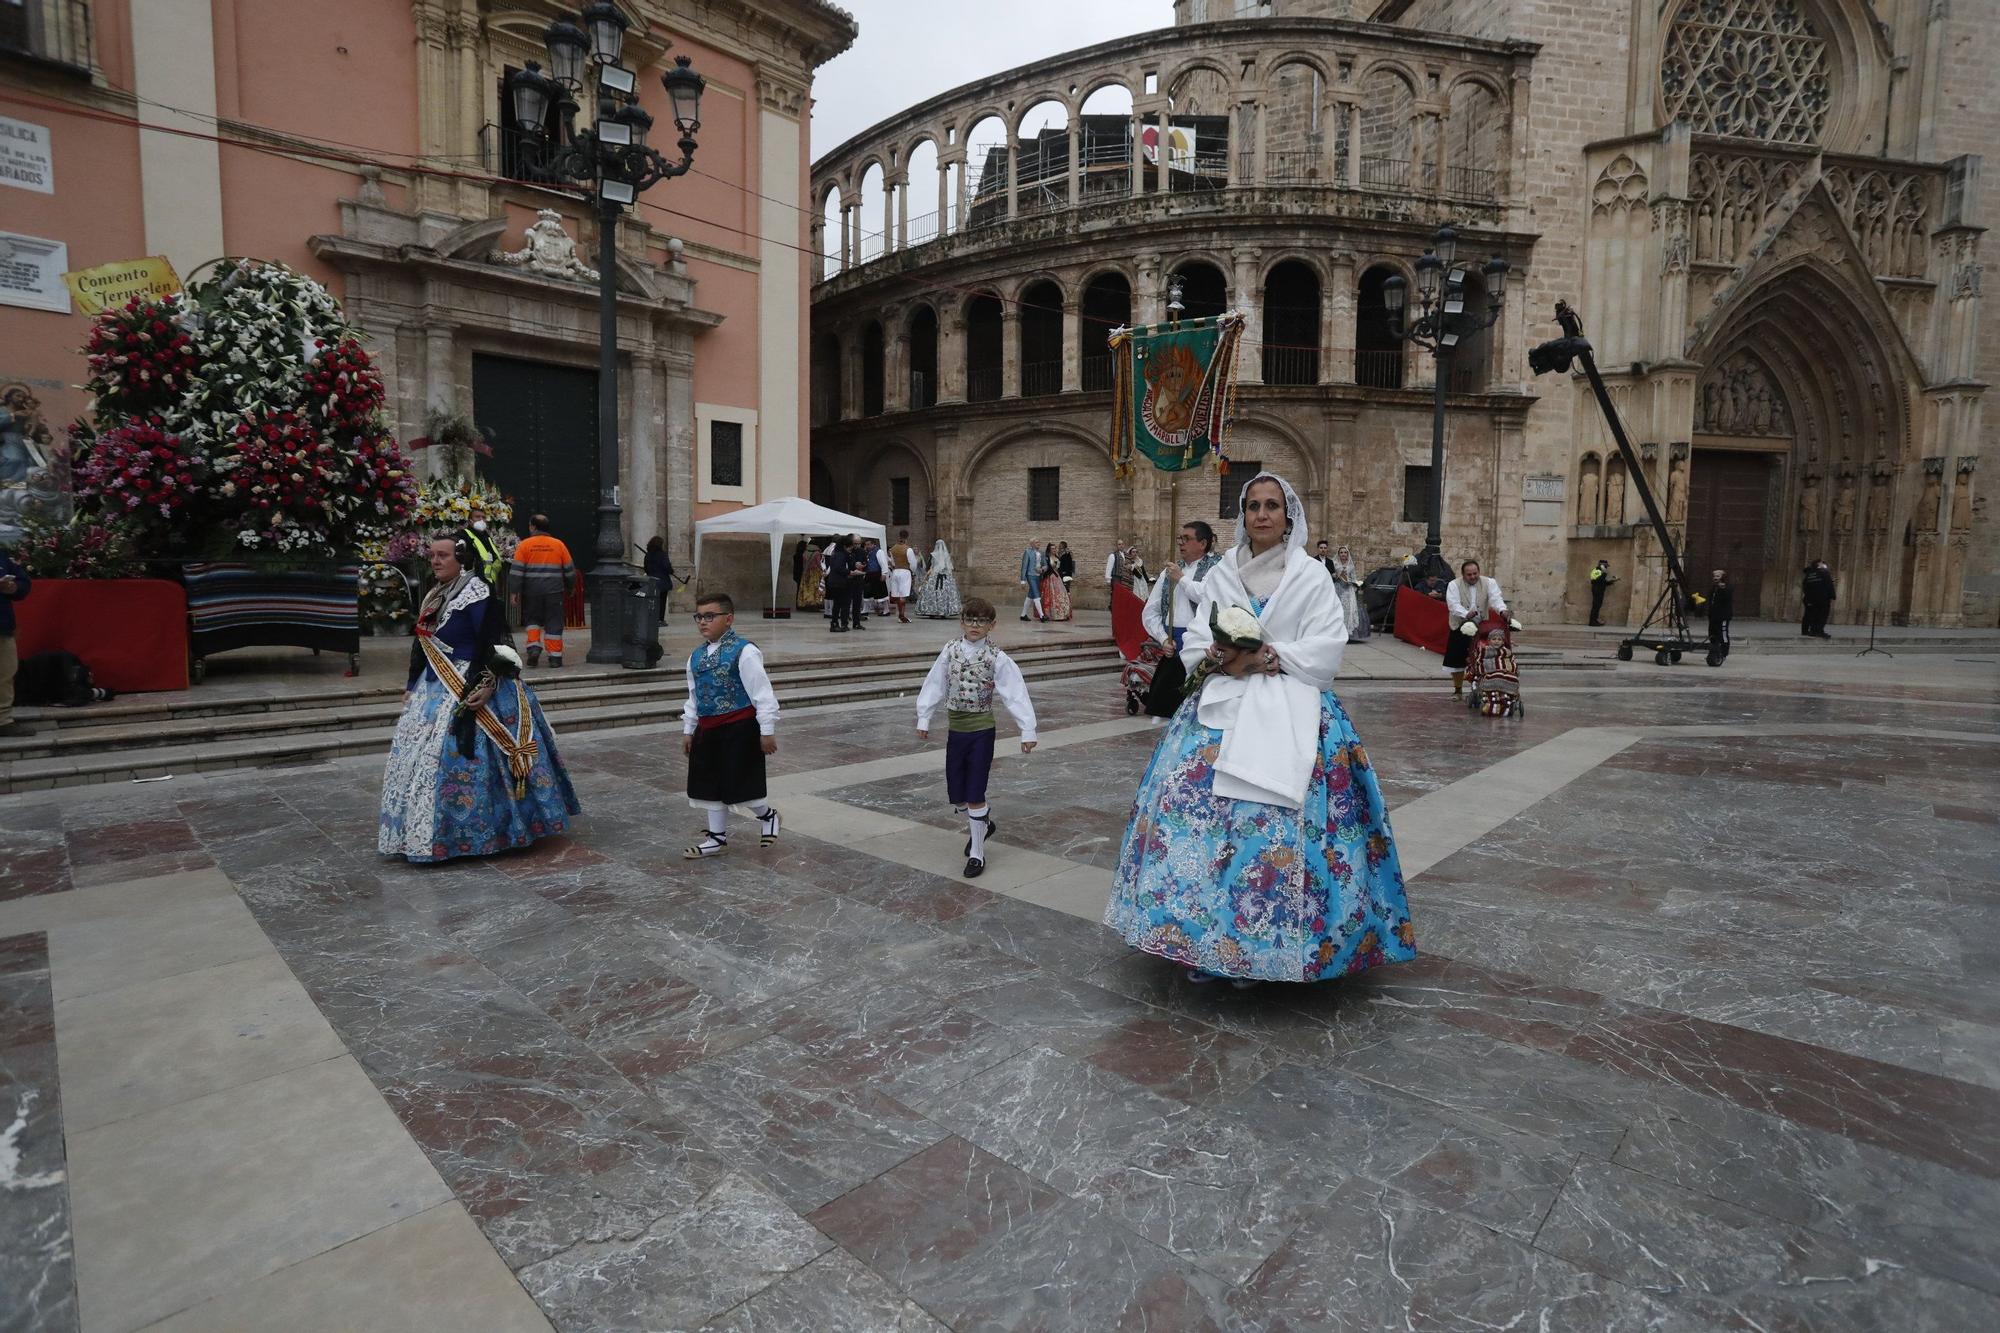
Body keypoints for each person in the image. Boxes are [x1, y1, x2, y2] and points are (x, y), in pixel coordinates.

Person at [1104, 472, 1414, 986]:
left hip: (1294, 705)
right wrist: (1231, 663)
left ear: (1288, 516)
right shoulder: (1224, 573)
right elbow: (1199, 639)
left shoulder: (1311, 576)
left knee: (1275, 827)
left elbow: (1327, 645)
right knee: (1202, 825)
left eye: (1272, 506)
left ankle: (1271, 945)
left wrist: (1267, 655)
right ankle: (1206, 944)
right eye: (1253, 506)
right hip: (1224, 704)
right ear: (1243, 515)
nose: (1262, 514)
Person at [378, 533, 579, 862]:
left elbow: (493, 642)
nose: (435, 561)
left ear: (462, 558)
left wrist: (487, 684)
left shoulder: (476, 591)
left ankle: (490, 831)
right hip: (436, 685)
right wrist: (413, 683)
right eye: (432, 555)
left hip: (473, 679)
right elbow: (422, 643)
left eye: (443, 555)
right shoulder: (435, 594)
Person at [915, 597, 1040, 879]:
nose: (975, 625)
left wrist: (1027, 729)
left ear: (991, 626)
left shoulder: (998, 657)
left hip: (982, 731)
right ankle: (983, 823)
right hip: (956, 729)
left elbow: (1015, 693)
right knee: (958, 796)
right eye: (970, 620)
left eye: (981, 621)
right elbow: (935, 682)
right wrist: (924, 716)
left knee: (975, 793)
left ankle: (977, 854)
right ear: (962, 622)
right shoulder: (950, 651)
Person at [680, 592, 782, 858]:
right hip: (708, 729)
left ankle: (768, 816)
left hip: (739, 728)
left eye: (710, 616)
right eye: (699, 617)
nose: (703, 622)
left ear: (729, 619)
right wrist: (689, 729)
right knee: (709, 784)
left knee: (739, 783)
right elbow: (694, 695)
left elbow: (762, 693)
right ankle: (717, 839)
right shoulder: (696, 656)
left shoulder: (745, 651)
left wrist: (767, 731)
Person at [509, 514, 578, 667]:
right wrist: (571, 587)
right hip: (554, 592)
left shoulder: (525, 545)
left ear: (533, 527)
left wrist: (514, 591)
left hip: (531, 592)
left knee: (532, 620)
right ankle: (555, 657)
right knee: (554, 621)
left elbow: (517, 571)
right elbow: (569, 570)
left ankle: (533, 647)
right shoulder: (558, 545)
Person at [1143, 520, 1220, 653]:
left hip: (1200, 643)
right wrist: (1163, 639)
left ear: (1202, 544)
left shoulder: (1216, 567)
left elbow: (1206, 597)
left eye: (1187, 538)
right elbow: (1150, 611)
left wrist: (1181, 579)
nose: (1181, 543)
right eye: (1180, 538)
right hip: (1170, 640)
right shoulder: (1169, 572)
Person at [1444, 558, 1509, 698]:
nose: (1473, 577)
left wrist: (1502, 610)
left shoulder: (1489, 582)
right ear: (1463, 574)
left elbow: (1495, 599)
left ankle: (1482, 687)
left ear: (1479, 571)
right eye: (1469, 574)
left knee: (1483, 657)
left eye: (1475, 573)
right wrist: (1466, 614)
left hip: (1481, 626)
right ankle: (1458, 690)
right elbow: (1453, 605)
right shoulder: (1454, 585)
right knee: (1457, 660)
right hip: (1460, 625)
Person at [0, 547, 31, 737]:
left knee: (5, 673)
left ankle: (3, 720)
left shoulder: (2, 557)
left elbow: (23, 582)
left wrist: (14, 588)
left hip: (2, 626)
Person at [1467, 624, 1521, 716]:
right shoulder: (1484, 651)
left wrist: (1512, 670)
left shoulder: (1507, 652)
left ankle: (1505, 702)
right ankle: (1497, 705)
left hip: (1505, 674)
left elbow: (1512, 663)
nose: (1496, 641)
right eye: (1494, 639)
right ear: (1489, 641)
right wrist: (1484, 670)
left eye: (1499, 639)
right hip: (1490, 675)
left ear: (1503, 642)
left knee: (1510, 678)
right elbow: (1479, 663)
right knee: (1495, 679)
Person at [1328, 545, 1368, 642]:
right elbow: (1332, 576)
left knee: (1349, 611)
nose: (1343, 554)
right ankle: (1336, 633)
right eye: (1341, 552)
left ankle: (1348, 633)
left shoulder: (1350, 564)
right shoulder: (1335, 563)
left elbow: (1353, 577)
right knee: (1338, 610)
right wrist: (1337, 575)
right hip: (1338, 588)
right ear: (1338, 554)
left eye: (1345, 552)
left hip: (1348, 590)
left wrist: (1354, 582)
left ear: (1347, 554)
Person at [1695, 568, 1733, 665]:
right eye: (1714, 576)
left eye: (1717, 576)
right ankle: (1713, 653)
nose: (1715, 578)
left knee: (1723, 635)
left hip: (1723, 616)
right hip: (1713, 616)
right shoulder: (1714, 588)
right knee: (1712, 635)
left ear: (1723, 577)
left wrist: (1723, 588)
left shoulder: (1727, 587)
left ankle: (1724, 654)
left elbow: (1727, 597)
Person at [917, 538, 962, 619]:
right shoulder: (947, 555)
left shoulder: (933, 554)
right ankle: (944, 611)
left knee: (932, 593)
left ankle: (932, 611)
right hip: (945, 577)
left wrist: (927, 575)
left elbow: (930, 566)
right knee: (945, 593)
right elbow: (949, 568)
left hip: (934, 576)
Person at [462, 501, 504, 586]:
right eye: (477, 517)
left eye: (484, 517)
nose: (481, 520)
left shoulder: (486, 537)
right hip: (471, 584)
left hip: (488, 583)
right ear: (470, 521)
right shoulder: (463, 536)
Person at [825, 535, 861, 632]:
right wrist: (850, 572)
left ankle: (839, 623)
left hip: (839, 582)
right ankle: (837, 623)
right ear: (845, 546)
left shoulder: (839, 553)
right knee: (842, 604)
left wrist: (854, 565)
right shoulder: (840, 554)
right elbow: (838, 567)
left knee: (840, 604)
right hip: (839, 582)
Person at [886, 529, 921, 623]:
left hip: (895, 571)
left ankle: (900, 615)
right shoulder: (908, 549)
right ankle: (902, 616)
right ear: (907, 537)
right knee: (903, 594)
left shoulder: (892, 549)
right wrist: (912, 571)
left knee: (897, 594)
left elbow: (892, 562)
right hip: (905, 572)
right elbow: (913, 564)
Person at [1801, 560, 1835, 638]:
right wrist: (1832, 595)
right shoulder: (1824, 572)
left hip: (1812, 598)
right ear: (1818, 565)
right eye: (1822, 563)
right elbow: (1829, 585)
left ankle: (1812, 631)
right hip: (1823, 598)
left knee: (1814, 614)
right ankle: (1819, 631)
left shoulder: (1810, 574)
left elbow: (1806, 586)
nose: (1824, 564)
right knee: (1822, 615)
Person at [1040, 541, 1072, 621]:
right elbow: (1044, 567)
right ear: (1049, 549)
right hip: (1050, 578)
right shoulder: (1047, 558)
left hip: (1058, 578)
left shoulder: (1058, 557)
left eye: (1055, 548)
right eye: (1052, 548)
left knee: (1062, 593)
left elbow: (1060, 568)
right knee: (1050, 596)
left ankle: (1062, 613)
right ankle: (1050, 614)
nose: (1054, 550)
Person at [862, 538, 891, 619]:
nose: (867, 546)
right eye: (866, 545)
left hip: (877, 574)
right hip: (869, 574)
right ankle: (865, 610)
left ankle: (886, 610)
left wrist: (884, 573)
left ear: (873, 544)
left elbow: (883, 563)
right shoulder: (868, 552)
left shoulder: (879, 551)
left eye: (868, 544)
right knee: (867, 592)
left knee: (881, 592)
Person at [1019, 542, 1046, 622]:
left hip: (1038, 576)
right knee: (1036, 594)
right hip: (1030, 575)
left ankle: (1023, 615)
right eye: (1036, 542)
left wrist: (1042, 569)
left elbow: (1045, 564)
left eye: (1039, 542)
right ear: (1032, 544)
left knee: (1030, 595)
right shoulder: (1027, 552)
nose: (1039, 543)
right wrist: (1023, 580)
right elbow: (1024, 567)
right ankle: (1042, 616)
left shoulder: (1042, 553)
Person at [797, 537, 826, 612]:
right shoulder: (817, 553)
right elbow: (819, 564)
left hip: (806, 572)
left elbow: (804, 563)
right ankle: (814, 604)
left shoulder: (805, 552)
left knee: (806, 588)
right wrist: (823, 571)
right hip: (815, 573)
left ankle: (806, 604)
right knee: (815, 588)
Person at [1588, 559, 1618, 626]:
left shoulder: (1601, 572)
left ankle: (1595, 620)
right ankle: (1592, 622)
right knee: (1595, 606)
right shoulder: (1597, 571)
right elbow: (1597, 581)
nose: (1607, 567)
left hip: (1600, 590)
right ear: (1602, 566)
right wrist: (1604, 573)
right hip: (1597, 590)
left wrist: (1612, 581)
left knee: (1597, 606)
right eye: (1606, 566)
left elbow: (1603, 583)